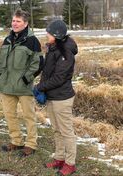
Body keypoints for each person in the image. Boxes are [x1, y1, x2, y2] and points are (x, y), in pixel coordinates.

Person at [0, 9, 43, 157]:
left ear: (26, 23)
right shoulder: (7, 40)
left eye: (18, 21)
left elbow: (38, 63)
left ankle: (31, 144)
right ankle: (16, 141)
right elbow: (1, 62)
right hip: (7, 86)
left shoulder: (32, 41)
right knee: (10, 115)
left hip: (23, 87)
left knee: (29, 117)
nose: (14, 24)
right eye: (13, 21)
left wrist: (26, 79)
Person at [35, 20, 78, 175]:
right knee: (56, 130)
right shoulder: (53, 48)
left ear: (57, 35)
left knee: (66, 131)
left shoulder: (66, 52)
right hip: (52, 96)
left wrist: (39, 88)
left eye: (49, 32)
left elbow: (59, 78)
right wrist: (42, 88)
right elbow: (47, 73)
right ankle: (59, 158)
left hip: (62, 98)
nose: (46, 34)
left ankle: (70, 163)